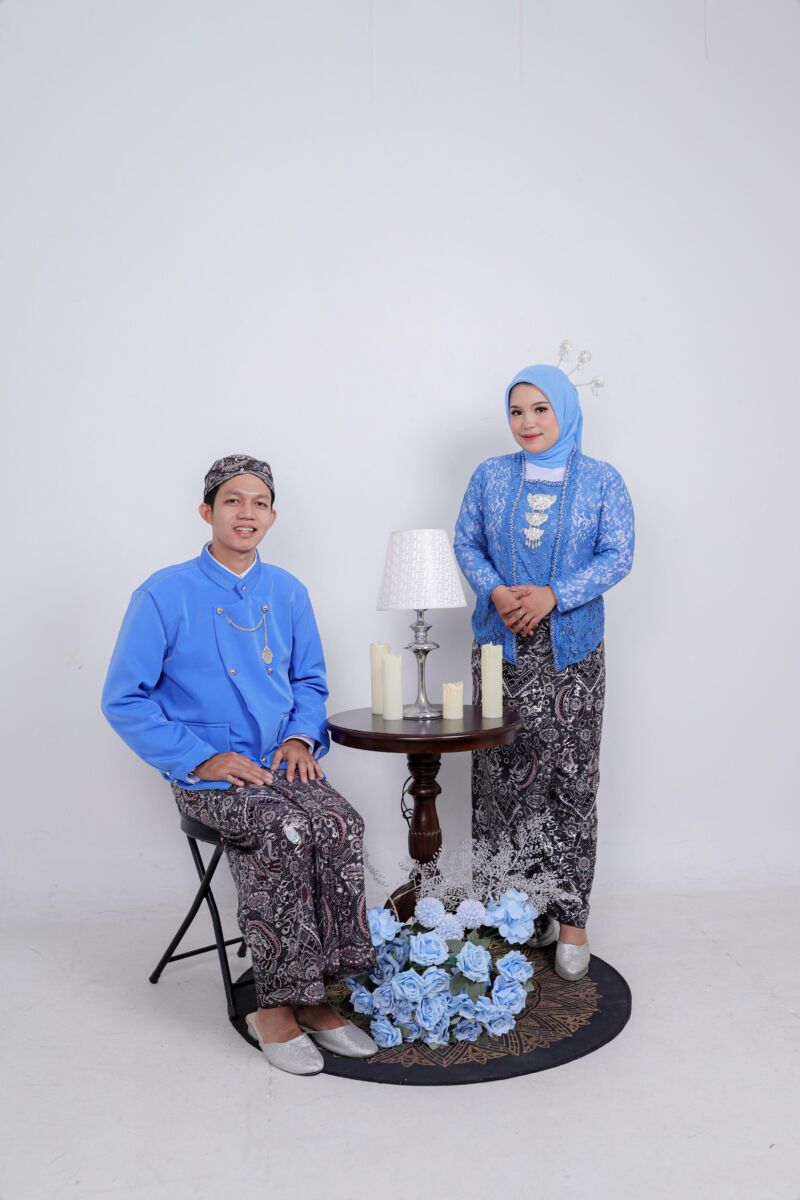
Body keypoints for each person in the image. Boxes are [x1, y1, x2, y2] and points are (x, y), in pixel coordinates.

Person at [102, 454, 378, 1073]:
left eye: (259, 502)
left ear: (273, 516)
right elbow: (123, 698)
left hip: (281, 762)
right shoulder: (163, 593)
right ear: (207, 511)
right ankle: (272, 1008)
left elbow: (309, 681)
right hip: (208, 774)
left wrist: (301, 738)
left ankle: (319, 997)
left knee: (341, 824)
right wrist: (202, 759)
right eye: (232, 501)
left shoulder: (288, 591)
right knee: (284, 830)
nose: (246, 512)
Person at [453, 365, 634, 981]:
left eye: (539, 410)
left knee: (570, 783)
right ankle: (513, 911)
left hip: (571, 657)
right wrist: (498, 592)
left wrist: (555, 595)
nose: (527, 423)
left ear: (564, 411)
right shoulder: (490, 475)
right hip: (500, 652)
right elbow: (467, 543)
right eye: (516, 412)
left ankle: (572, 919)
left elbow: (619, 553)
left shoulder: (602, 480)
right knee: (500, 780)